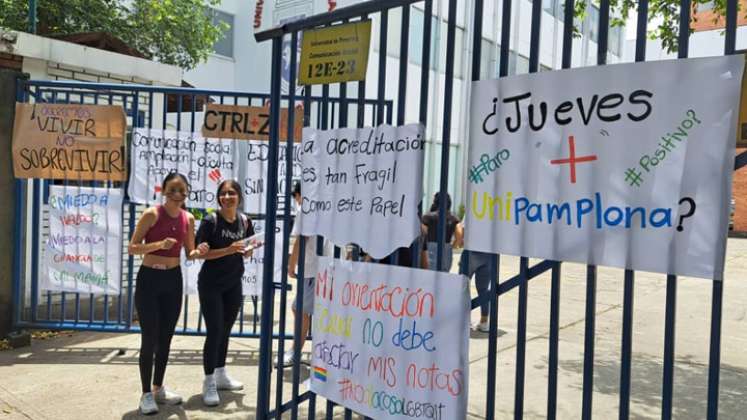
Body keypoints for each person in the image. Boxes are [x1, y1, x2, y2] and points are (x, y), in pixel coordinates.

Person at [128, 172, 209, 415]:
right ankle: (145, 394)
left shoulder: (188, 218)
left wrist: (201, 250)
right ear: (164, 191)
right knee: (149, 338)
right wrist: (157, 244)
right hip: (149, 280)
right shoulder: (152, 214)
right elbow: (132, 248)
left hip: (172, 281)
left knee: (166, 338)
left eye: (182, 190)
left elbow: (190, 252)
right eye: (173, 190)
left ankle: (158, 387)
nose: (178, 195)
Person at [196, 180, 256, 406]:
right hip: (211, 284)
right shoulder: (210, 220)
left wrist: (248, 250)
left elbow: (246, 251)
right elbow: (200, 254)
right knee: (214, 331)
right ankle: (209, 380)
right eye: (223, 193)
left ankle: (221, 373)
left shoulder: (244, 221)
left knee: (226, 330)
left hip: (233, 283)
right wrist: (228, 250)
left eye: (232, 193)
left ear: (239, 196)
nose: (227, 196)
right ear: (218, 197)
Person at [277, 182, 322, 367]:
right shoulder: (328, 207)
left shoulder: (307, 209)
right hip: (325, 267)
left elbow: (300, 239)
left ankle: (296, 351)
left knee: (301, 310)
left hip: (313, 269)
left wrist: (291, 265)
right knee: (309, 311)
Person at [457, 222, 493, 332]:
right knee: (483, 289)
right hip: (489, 253)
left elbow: (460, 226)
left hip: (471, 251)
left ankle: (465, 320)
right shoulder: (495, 213)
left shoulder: (474, 210)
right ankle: (484, 321)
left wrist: (461, 241)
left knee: (463, 286)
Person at [421, 192, 461, 271]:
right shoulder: (453, 218)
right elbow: (459, 235)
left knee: (428, 274)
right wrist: (452, 246)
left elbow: (422, 233)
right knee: (443, 275)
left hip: (430, 247)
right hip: (446, 248)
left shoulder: (427, 217)